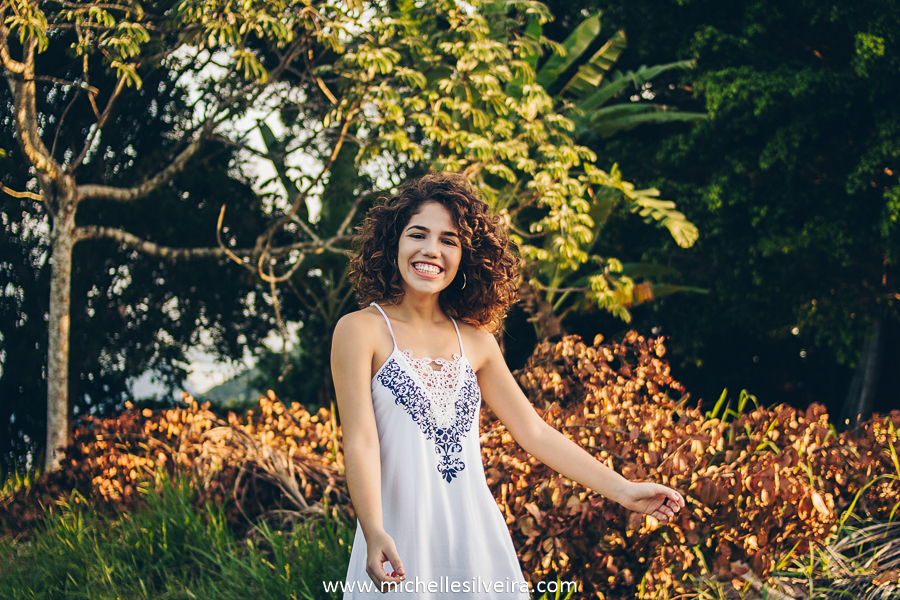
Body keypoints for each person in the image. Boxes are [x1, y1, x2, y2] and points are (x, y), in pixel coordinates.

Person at [332, 173, 685, 598]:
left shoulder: (477, 342)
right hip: (397, 543)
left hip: (476, 544)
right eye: (418, 234)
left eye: (449, 240)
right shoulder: (360, 330)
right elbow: (360, 442)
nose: (431, 250)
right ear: (393, 245)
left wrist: (625, 491)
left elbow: (534, 432)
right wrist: (373, 530)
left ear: (466, 257)